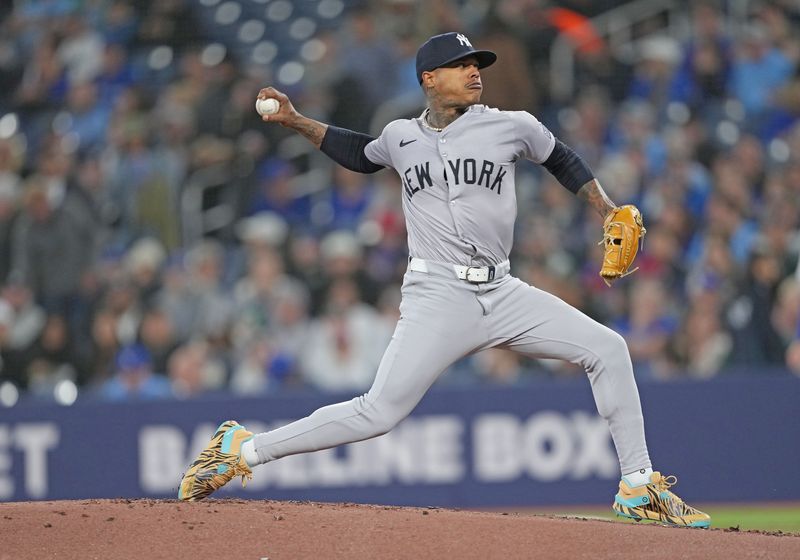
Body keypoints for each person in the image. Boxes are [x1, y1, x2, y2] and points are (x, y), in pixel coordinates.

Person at [178, 32, 710, 528]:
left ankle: (639, 484)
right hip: (437, 296)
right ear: (429, 78)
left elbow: (563, 160)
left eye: (476, 64)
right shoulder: (400, 137)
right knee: (378, 412)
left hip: (503, 291)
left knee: (608, 348)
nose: (474, 72)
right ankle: (243, 451)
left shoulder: (512, 124)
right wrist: (296, 121)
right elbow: (359, 154)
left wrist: (606, 207)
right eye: (460, 65)